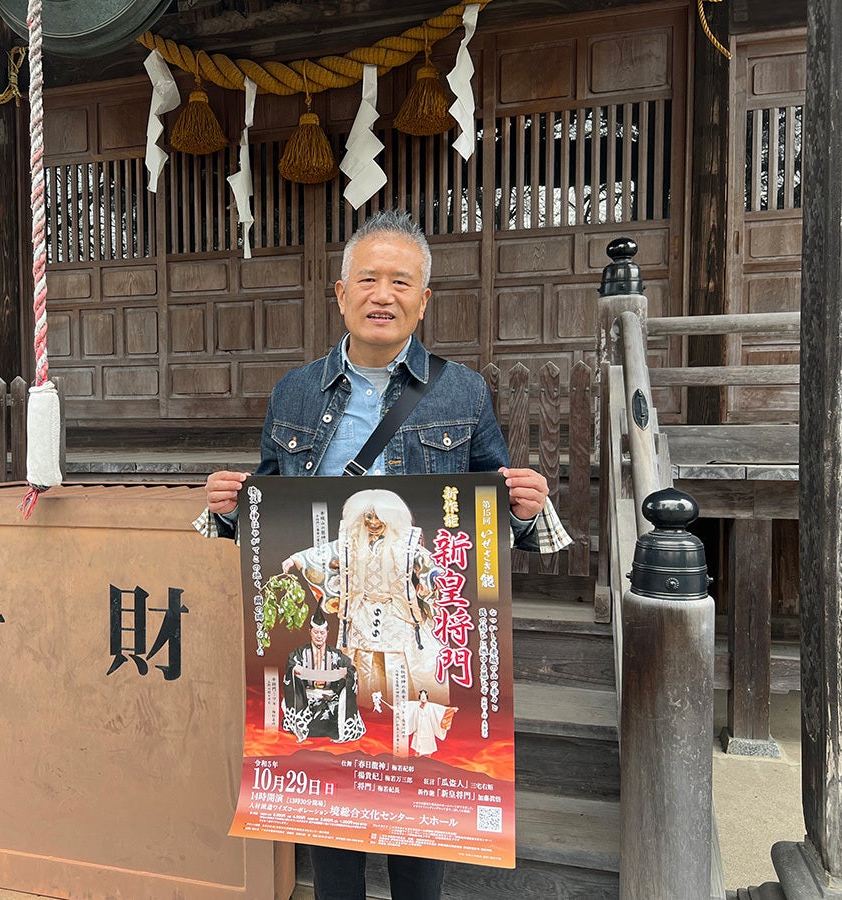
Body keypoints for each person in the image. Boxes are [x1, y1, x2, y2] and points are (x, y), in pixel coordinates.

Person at [197, 208, 571, 900]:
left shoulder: (462, 391)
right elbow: (271, 514)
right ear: (340, 294)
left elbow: (486, 511)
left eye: (401, 282)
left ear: (423, 301)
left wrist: (524, 507)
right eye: (367, 279)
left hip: (413, 630)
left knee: (420, 801)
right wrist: (229, 509)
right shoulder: (294, 392)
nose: (383, 295)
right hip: (337, 625)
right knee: (333, 800)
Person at [282, 489, 449, 709]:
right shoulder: (352, 542)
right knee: (364, 659)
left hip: (396, 611)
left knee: (397, 658)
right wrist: (297, 559)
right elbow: (326, 554)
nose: (373, 522)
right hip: (363, 609)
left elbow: (425, 563)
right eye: (368, 517)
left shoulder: (404, 543)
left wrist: (435, 576)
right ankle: (366, 706)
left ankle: (401, 706)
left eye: (379, 517)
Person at [282, 603, 365, 743]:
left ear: (327, 632)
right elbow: (290, 667)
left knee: (339, 711)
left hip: (329, 698)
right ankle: (304, 728)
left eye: (322, 633)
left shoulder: (336, 655)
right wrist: (294, 671)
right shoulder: (300, 654)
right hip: (307, 698)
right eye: (316, 632)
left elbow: (351, 669)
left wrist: (347, 673)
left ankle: (334, 729)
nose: (319, 636)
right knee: (297, 708)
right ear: (310, 632)